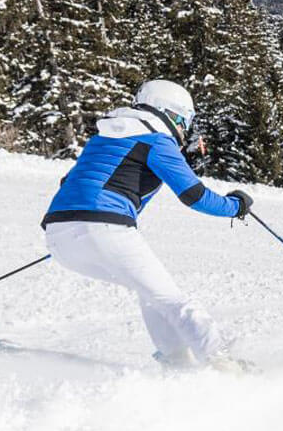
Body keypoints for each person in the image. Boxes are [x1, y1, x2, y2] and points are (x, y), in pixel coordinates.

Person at [42, 80, 252, 372]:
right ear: (170, 114)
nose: (184, 130)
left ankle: (178, 362)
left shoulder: (104, 138)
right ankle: (224, 364)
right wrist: (236, 206)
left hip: (59, 236)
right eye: (184, 121)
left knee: (151, 293)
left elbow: (69, 183)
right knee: (174, 301)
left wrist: (77, 232)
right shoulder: (156, 140)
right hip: (104, 228)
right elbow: (194, 195)